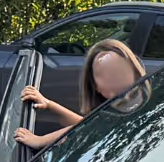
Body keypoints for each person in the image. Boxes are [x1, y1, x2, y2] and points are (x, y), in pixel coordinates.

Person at [16, 39, 148, 151]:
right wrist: (49, 105)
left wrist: (39, 141)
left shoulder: (137, 105)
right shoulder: (117, 110)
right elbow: (88, 126)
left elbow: (80, 129)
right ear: (94, 86)